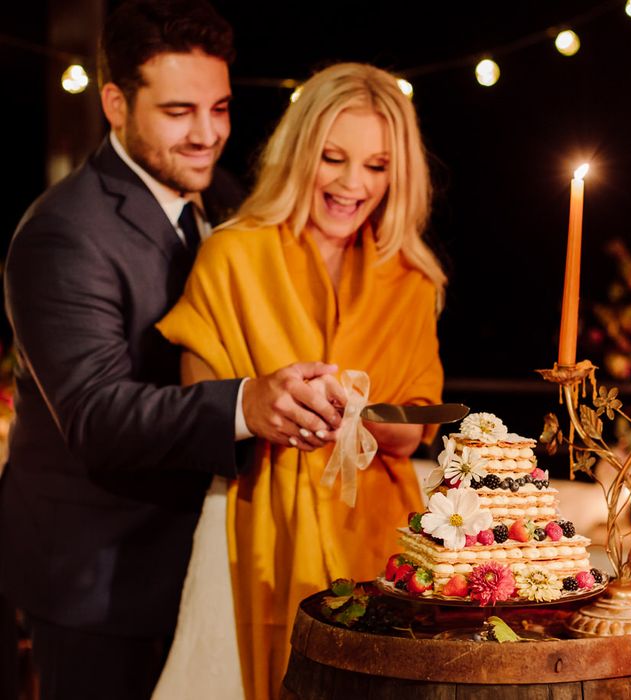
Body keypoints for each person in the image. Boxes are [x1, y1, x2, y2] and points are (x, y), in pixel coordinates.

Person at [0, 2, 341, 698]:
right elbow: (97, 415)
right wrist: (249, 403)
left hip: (207, 560)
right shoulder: (62, 233)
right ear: (116, 104)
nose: (208, 134)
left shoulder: (224, 197)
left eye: (219, 108)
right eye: (180, 111)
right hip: (99, 581)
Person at [156, 62, 446, 699]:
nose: (351, 184)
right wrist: (266, 403)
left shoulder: (413, 280)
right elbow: (193, 408)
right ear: (298, 152)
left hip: (382, 538)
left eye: (376, 165)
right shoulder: (231, 255)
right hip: (254, 528)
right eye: (333, 158)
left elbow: (422, 418)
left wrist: (374, 421)